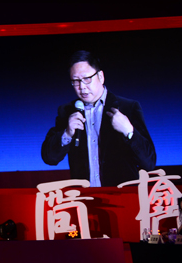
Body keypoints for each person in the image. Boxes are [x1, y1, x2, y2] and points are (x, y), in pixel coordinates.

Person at [40, 50, 156, 187]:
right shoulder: (67, 111)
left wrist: (129, 131)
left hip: (121, 195)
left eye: (87, 79)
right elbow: (49, 158)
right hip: (85, 196)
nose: (82, 87)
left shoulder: (127, 107)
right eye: (75, 81)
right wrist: (67, 134)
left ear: (100, 76)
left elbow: (149, 162)